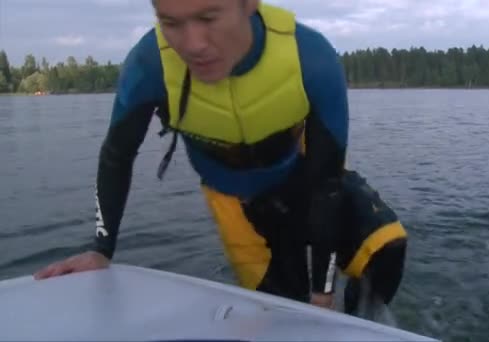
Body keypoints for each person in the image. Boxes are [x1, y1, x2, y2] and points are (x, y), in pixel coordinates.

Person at [34, 0, 408, 312]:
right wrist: (101, 250)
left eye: (208, 17)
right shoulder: (150, 65)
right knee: (282, 316)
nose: (193, 44)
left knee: (387, 249)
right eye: (171, 23)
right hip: (236, 205)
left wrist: (323, 289)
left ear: (248, 4)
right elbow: (116, 157)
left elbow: (327, 183)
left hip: (304, 179)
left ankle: (362, 327)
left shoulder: (310, 58)